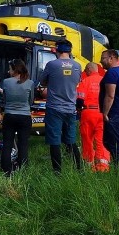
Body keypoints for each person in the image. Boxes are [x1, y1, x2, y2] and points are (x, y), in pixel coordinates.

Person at [39, 40, 83, 173]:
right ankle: (79, 169)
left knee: (55, 140)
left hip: (54, 107)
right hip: (70, 108)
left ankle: (57, 171)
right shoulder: (77, 65)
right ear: (70, 51)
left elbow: (42, 81)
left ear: (57, 51)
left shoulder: (52, 65)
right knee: (70, 140)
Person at [0, 58, 34, 176]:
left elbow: (3, 99)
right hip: (24, 116)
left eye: (10, 69)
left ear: (15, 69)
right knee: (23, 144)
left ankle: (6, 170)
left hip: (9, 115)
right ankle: (22, 169)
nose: (9, 71)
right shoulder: (30, 83)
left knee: (7, 143)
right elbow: (31, 100)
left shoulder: (6, 82)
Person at [76, 62, 110, 172]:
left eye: (86, 69)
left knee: (87, 138)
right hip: (102, 112)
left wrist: (78, 110)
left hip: (88, 112)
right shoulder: (104, 81)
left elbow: (80, 100)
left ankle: (89, 165)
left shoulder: (85, 81)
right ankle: (102, 165)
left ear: (90, 69)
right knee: (101, 139)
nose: (85, 72)